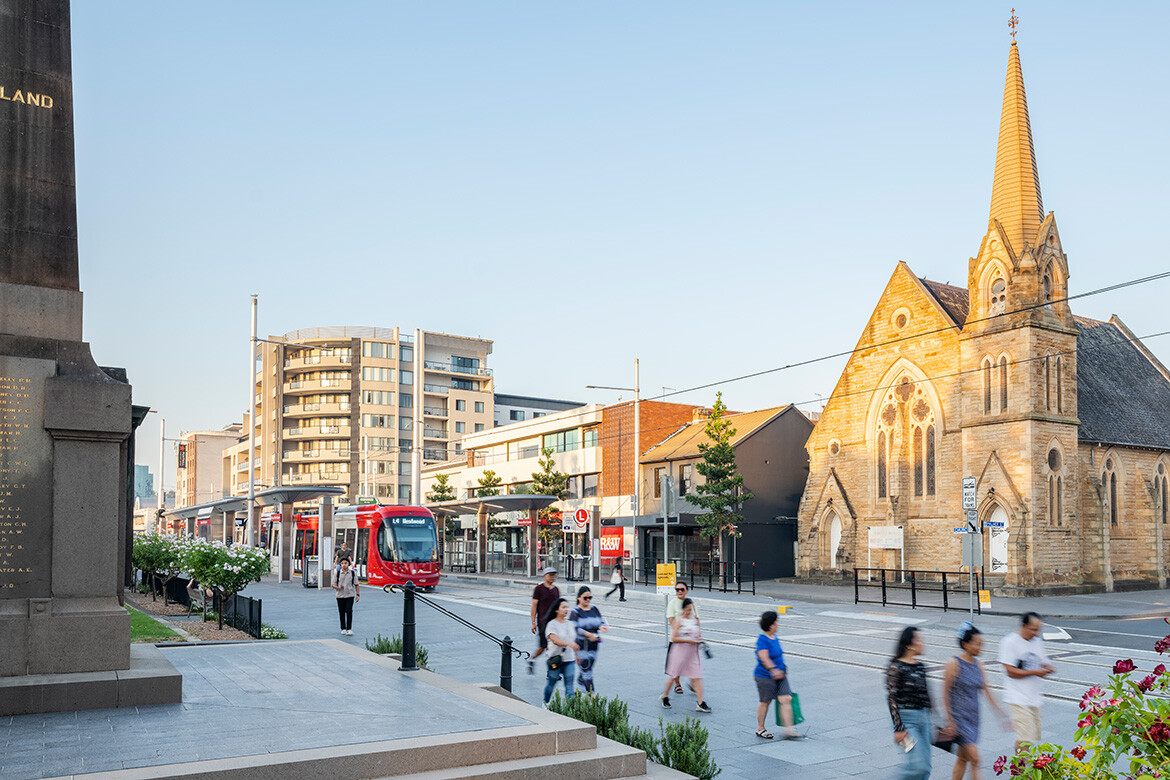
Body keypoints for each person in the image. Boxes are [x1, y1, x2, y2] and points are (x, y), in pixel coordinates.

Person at [943, 623, 1011, 780]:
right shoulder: (953, 663)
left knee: (963, 758)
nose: (981, 648)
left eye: (982, 644)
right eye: (977, 644)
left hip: (973, 719)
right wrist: (950, 720)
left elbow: (986, 690)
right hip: (959, 719)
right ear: (966, 644)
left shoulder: (978, 664)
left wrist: (1002, 714)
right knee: (975, 759)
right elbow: (945, 693)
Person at [997, 612, 1055, 748]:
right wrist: (1035, 672)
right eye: (1033, 629)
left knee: (1030, 737)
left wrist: (1047, 667)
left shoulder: (1037, 642)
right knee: (1024, 737)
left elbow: (1042, 661)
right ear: (1023, 626)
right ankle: (1020, 769)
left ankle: (1024, 766)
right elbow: (1010, 671)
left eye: (1038, 629)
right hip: (1017, 698)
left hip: (1033, 697)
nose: (1036, 633)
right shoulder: (1009, 642)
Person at [887, 626, 936, 780]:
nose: (922, 643)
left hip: (924, 720)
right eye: (919, 640)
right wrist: (898, 728)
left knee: (925, 768)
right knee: (917, 766)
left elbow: (927, 696)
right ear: (909, 644)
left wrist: (939, 723)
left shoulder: (921, 667)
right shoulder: (896, 667)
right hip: (907, 722)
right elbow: (891, 698)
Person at [754, 610, 801, 739]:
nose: (778, 624)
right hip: (765, 676)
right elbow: (763, 657)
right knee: (765, 701)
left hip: (781, 675)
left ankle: (789, 730)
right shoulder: (762, 639)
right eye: (776, 622)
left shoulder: (774, 637)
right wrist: (773, 670)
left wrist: (780, 671)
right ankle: (760, 728)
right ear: (771, 625)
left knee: (786, 699)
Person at [660, 598, 711, 713]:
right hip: (679, 652)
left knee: (697, 676)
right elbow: (674, 638)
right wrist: (688, 640)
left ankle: (700, 703)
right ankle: (665, 696)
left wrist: (700, 640)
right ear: (683, 609)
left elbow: (697, 634)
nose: (689, 611)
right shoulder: (679, 620)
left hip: (693, 653)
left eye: (691, 609)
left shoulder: (694, 621)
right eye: (687, 609)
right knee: (673, 675)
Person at [569, 586, 608, 693]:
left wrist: (602, 627)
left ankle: (577, 691)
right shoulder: (575, 611)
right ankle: (593, 698)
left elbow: (600, 622)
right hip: (581, 645)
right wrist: (588, 634)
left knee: (587, 669)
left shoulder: (594, 609)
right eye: (585, 598)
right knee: (587, 671)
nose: (588, 600)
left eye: (590, 597)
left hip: (594, 645)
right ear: (579, 598)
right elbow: (574, 628)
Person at [542, 598, 579, 705]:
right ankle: (546, 703)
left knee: (570, 687)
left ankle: (571, 709)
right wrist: (568, 644)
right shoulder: (552, 624)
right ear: (556, 610)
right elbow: (555, 640)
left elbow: (573, 639)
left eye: (567, 607)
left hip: (569, 660)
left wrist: (577, 655)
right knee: (551, 685)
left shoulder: (570, 624)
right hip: (555, 660)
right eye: (563, 607)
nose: (566, 609)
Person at [665, 581, 698, 696]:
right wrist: (679, 633)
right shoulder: (672, 603)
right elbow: (671, 619)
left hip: (691, 640)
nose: (679, 591)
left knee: (692, 662)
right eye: (677, 589)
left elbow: (696, 619)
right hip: (677, 640)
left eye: (681, 589)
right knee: (676, 663)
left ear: (686, 590)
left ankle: (693, 682)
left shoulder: (690, 603)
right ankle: (677, 684)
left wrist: (697, 634)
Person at [528, 567, 561, 674]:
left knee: (553, 647)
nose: (552, 577)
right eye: (550, 575)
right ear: (544, 576)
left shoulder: (556, 590)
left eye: (553, 575)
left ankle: (551, 671)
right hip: (543, 623)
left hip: (554, 623)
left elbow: (559, 607)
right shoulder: (539, 589)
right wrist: (533, 622)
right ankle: (532, 659)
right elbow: (534, 606)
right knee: (543, 647)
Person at [332, 556, 359, 635]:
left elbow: (356, 584)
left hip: (350, 595)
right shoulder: (337, 573)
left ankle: (349, 628)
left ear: (348, 564)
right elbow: (333, 584)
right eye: (342, 563)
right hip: (340, 596)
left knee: (349, 611)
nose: (344, 565)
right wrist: (338, 587)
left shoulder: (353, 573)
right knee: (341, 612)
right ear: (340, 564)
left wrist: (358, 595)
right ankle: (343, 628)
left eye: (345, 563)